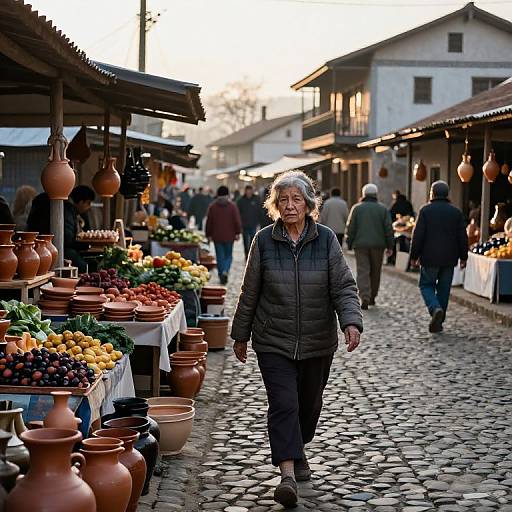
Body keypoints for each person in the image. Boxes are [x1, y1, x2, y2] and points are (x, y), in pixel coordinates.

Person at [231, 170, 363, 509]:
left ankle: (297, 446)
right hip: (273, 339)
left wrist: (351, 321)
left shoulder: (327, 240)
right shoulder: (263, 240)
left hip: (317, 339)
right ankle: (287, 474)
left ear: (308, 204)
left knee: (309, 405)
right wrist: (240, 334)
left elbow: (343, 286)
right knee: (284, 403)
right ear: (275, 205)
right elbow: (250, 291)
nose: (290, 206)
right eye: (284, 200)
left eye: (297, 200)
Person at [410, 181, 468, 333]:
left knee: (426, 285)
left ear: (432, 193)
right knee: (444, 289)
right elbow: (463, 236)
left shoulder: (425, 211)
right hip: (449, 258)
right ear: (447, 194)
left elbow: (418, 235)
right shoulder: (456, 212)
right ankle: (439, 320)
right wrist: (464, 257)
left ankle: (435, 308)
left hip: (429, 258)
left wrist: (413, 256)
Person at [346, 183, 394, 310]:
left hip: (360, 245)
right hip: (378, 245)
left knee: (363, 271)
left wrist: (349, 242)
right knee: (375, 271)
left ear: (363, 194)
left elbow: (351, 227)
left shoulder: (357, 208)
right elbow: (388, 228)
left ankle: (364, 296)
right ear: (375, 195)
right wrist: (390, 245)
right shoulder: (382, 209)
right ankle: (372, 297)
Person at [27, 186, 95, 272]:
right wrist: (85, 245)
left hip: (39, 248)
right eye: (88, 203)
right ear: (81, 202)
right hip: (54, 249)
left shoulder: (44, 200)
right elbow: (67, 239)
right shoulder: (65, 209)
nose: (89, 207)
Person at [205, 186, 242, 285]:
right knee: (228, 255)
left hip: (217, 236)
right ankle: (225, 270)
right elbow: (237, 220)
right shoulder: (232, 206)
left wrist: (208, 234)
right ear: (227, 194)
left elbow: (209, 222)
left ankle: (221, 273)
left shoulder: (212, 206)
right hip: (230, 236)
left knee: (220, 256)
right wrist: (238, 232)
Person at [237, 184, 261, 259]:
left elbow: (260, 211)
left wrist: (259, 222)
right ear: (245, 191)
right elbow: (237, 212)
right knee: (245, 241)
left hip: (253, 224)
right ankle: (246, 254)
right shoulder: (241, 200)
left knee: (252, 241)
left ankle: (251, 255)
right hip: (244, 225)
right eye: (247, 191)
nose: (249, 192)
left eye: (250, 191)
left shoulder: (257, 199)